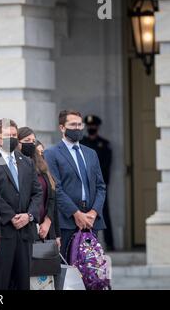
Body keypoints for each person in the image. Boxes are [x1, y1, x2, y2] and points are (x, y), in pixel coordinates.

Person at [0, 119, 42, 290]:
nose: (12, 139)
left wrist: (28, 216)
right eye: (8, 136)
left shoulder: (26, 161)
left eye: (14, 135)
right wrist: (11, 216)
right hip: (3, 230)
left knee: (23, 282)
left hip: (25, 232)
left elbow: (37, 192)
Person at [44, 110, 106, 261]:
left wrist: (93, 213)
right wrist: (76, 214)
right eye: (73, 124)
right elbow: (56, 188)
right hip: (67, 222)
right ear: (62, 128)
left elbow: (100, 186)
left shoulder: (91, 153)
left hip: (91, 221)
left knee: (90, 270)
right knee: (68, 271)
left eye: (79, 124)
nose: (77, 128)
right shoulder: (51, 154)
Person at [18, 128, 61, 246]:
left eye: (33, 141)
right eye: (27, 140)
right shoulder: (15, 166)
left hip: (46, 227)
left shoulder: (42, 167)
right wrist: (32, 218)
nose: (31, 144)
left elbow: (52, 199)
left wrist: (48, 223)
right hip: (26, 226)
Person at [81, 115, 113, 250]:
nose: (91, 128)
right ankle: (87, 245)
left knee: (104, 213)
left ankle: (110, 243)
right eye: (89, 126)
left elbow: (106, 166)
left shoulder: (104, 144)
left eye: (93, 126)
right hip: (84, 186)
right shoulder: (82, 143)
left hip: (99, 186)